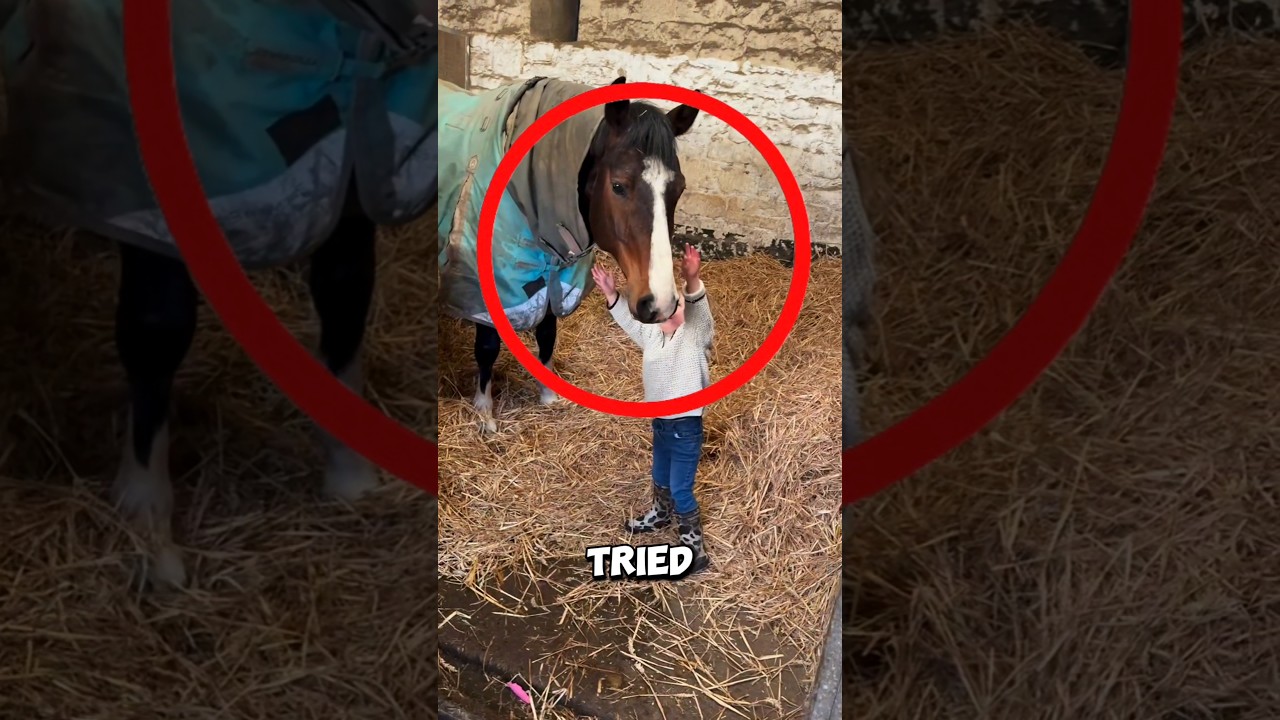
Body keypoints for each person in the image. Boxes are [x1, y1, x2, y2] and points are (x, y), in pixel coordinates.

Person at [590, 243, 715, 575]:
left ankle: (695, 549)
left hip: (686, 427)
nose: (663, 312)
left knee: (680, 489)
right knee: (659, 478)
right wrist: (611, 294)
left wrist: (692, 277)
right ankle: (660, 516)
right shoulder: (653, 335)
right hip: (661, 423)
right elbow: (631, 325)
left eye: (670, 305)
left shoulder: (694, 333)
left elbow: (698, 307)